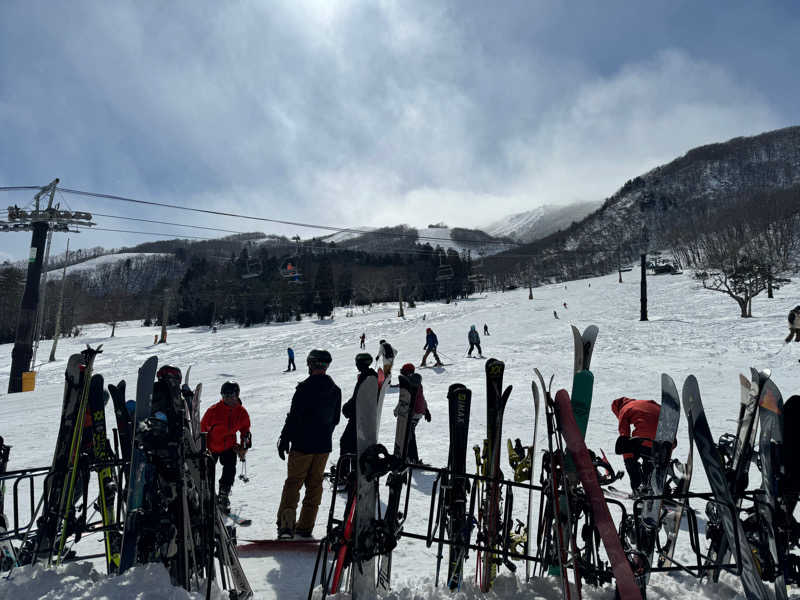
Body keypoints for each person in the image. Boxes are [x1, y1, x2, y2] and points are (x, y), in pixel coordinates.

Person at [276, 350, 341, 539]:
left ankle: (287, 527)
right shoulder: (335, 390)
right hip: (322, 446)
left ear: (310, 365)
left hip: (303, 445)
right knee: (314, 485)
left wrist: (284, 438)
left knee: (293, 483)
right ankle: (305, 526)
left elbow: (294, 417)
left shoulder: (304, 388)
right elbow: (335, 419)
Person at [200, 381, 252, 512]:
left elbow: (245, 429)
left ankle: (224, 494)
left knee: (229, 470)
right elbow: (201, 429)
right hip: (211, 446)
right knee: (207, 471)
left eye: (231, 395)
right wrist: (202, 447)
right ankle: (208, 494)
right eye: (225, 396)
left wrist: (244, 445)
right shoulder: (213, 411)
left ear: (237, 395)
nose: (228, 399)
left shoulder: (241, 412)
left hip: (229, 446)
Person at [338, 353, 376, 484]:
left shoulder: (366, 377)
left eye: (357, 362)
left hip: (358, 418)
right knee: (354, 445)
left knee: (345, 443)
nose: (356, 364)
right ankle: (353, 473)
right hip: (365, 417)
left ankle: (344, 475)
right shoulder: (371, 375)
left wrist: (347, 408)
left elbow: (358, 398)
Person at [611, 396, 660, 494]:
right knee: (650, 461)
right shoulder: (646, 403)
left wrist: (629, 460)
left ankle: (637, 487)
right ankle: (652, 486)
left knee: (630, 456)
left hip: (644, 439)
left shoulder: (624, 410)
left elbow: (624, 437)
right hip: (662, 442)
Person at [400, 364, 431, 464]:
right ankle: (410, 457)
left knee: (409, 435)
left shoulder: (410, 383)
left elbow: (407, 399)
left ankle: (413, 458)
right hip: (418, 412)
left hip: (414, 413)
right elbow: (421, 398)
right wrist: (426, 410)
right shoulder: (417, 383)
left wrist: (398, 411)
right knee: (409, 435)